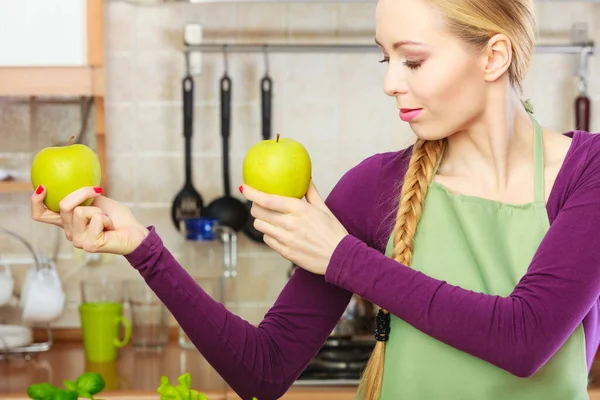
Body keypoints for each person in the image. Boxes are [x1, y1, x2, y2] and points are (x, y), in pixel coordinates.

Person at [30, 0, 600, 398]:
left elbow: (525, 339)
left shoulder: (587, 172)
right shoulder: (375, 185)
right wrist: (143, 249)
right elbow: (263, 369)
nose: (390, 82)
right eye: (386, 59)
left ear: (493, 56)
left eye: (414, 60)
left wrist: (341, 257)